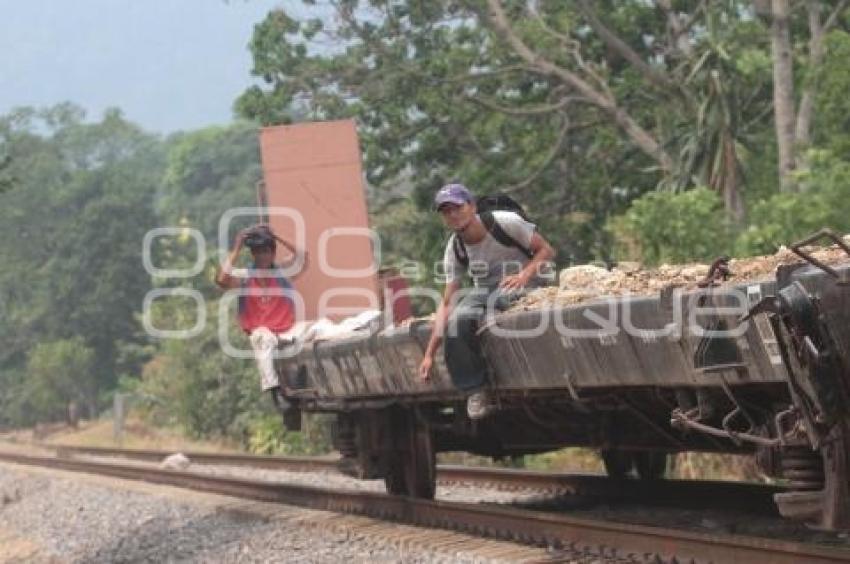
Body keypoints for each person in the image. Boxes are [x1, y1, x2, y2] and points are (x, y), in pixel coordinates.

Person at [418, 183, 556, 419]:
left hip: (530, 284)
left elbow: (546, 250)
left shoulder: (504, 222)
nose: (453, 215)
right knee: (458, 320)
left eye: (457, 208)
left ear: (471, 206)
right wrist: (429, 353)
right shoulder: (455, 248)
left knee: (502, 298)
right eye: (446, 211)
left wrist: (524, 274)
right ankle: (476, 391)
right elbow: (447, 301)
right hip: (489, 291)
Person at [215, 224, 308, 412]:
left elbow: (302, 256)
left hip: (286, 329)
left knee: (318, 329)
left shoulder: (282, 273)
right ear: (253, 255)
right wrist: (237, 247)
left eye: (265, 251)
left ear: (272, 253)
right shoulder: (245, 278)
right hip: (262, 332)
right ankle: (275, 391)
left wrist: (276, 235)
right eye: (257, 252)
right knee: (263, 338)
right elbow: (222, 279)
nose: (261, 257)